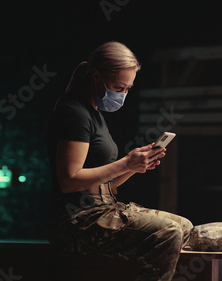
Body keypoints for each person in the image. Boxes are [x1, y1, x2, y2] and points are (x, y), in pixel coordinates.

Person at [46, 41, 193, 281]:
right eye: (118, 87)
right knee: (167, 232)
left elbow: (108, 187)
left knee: (184, 227)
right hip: (75, 222)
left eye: (127, 89)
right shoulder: (73, 112)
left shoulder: (93, 113)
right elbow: (69, 181)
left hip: (104, 209)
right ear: (96, 75)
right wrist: (125, 163)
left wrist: (135, 166)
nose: (122, 94)